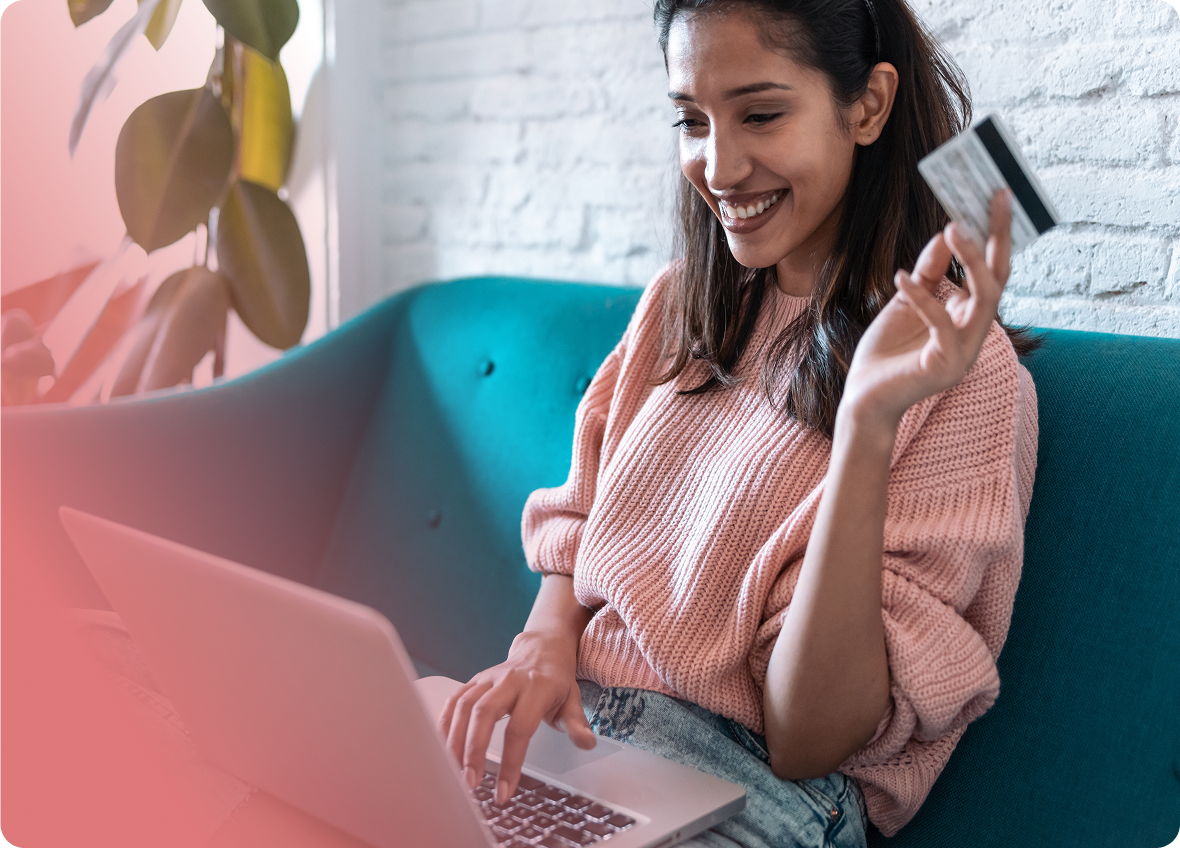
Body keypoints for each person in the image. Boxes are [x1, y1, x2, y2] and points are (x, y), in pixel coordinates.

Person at [440, 0, 1039, 845]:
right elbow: (579, 527)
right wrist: (540, 647)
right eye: (691, 120)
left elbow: (807, 741)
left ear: (866, 106)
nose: (718, 166)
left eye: (760, 114)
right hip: (576, 738)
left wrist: (867, 421)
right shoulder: (682, 303)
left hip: (755, 788)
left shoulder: (966, 377)